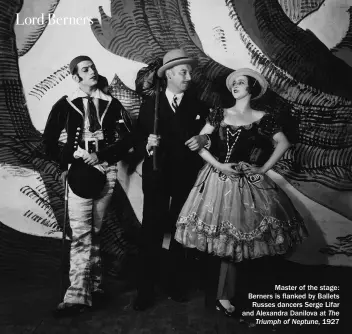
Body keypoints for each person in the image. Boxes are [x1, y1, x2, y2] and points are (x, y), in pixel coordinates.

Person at [174, 68, 308, 323]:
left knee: (244, 240)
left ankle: (238, 296)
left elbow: (283, 143)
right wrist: (219, 164)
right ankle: (223, 297)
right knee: (226, 241)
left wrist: (262, 168)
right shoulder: (219, 113)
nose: (235, 85)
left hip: (247, 184)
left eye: (241, 82)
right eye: (233, 82)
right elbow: (199, 143)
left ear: (252, 88)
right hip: (217, 180)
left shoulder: (263, 118)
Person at [42, 55, 133, 316]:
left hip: (107, 171)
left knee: (94, 230)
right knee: (81, 232)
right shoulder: (66, 104)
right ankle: (77, 295)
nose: (92, 71)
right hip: (79, 172)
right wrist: (68, 161)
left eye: (92, 67)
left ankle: (92, 286)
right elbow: (48, 141)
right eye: (85, 69)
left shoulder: (112, 104)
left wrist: (102, 155)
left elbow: (128, 139)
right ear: (75, 77)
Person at [133, 49, 211, 311]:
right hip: (156, 176)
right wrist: (147, 143)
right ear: (168, 74)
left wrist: (205, 139)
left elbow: (216, 137)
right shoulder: (149, 106)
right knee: (151, 232)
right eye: (183, 72)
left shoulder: (200, 107)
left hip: (186, 177)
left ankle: (174, 283)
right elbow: (134, 140)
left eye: (189, 72)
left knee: (181, 232)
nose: (189, 77)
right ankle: (145, 289)